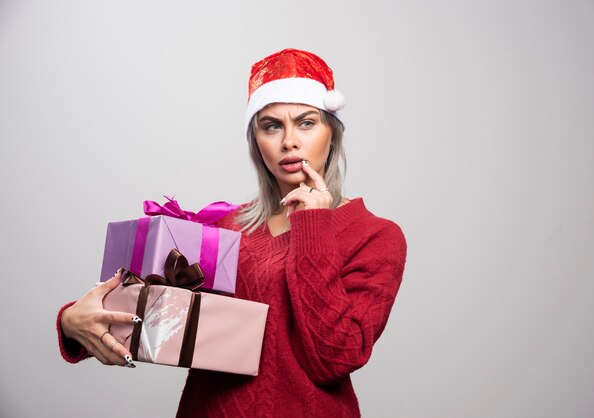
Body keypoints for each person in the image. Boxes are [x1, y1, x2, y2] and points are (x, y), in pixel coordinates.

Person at [57, 48, 407, 417]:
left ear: (332, 134)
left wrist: (313, 225)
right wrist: (71, 321)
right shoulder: (227, 229)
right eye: (271, 125)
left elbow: (334, 359)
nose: (289, 141)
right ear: (256, 141)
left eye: (307, 123)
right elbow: (159, 316)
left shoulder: (376, 237)